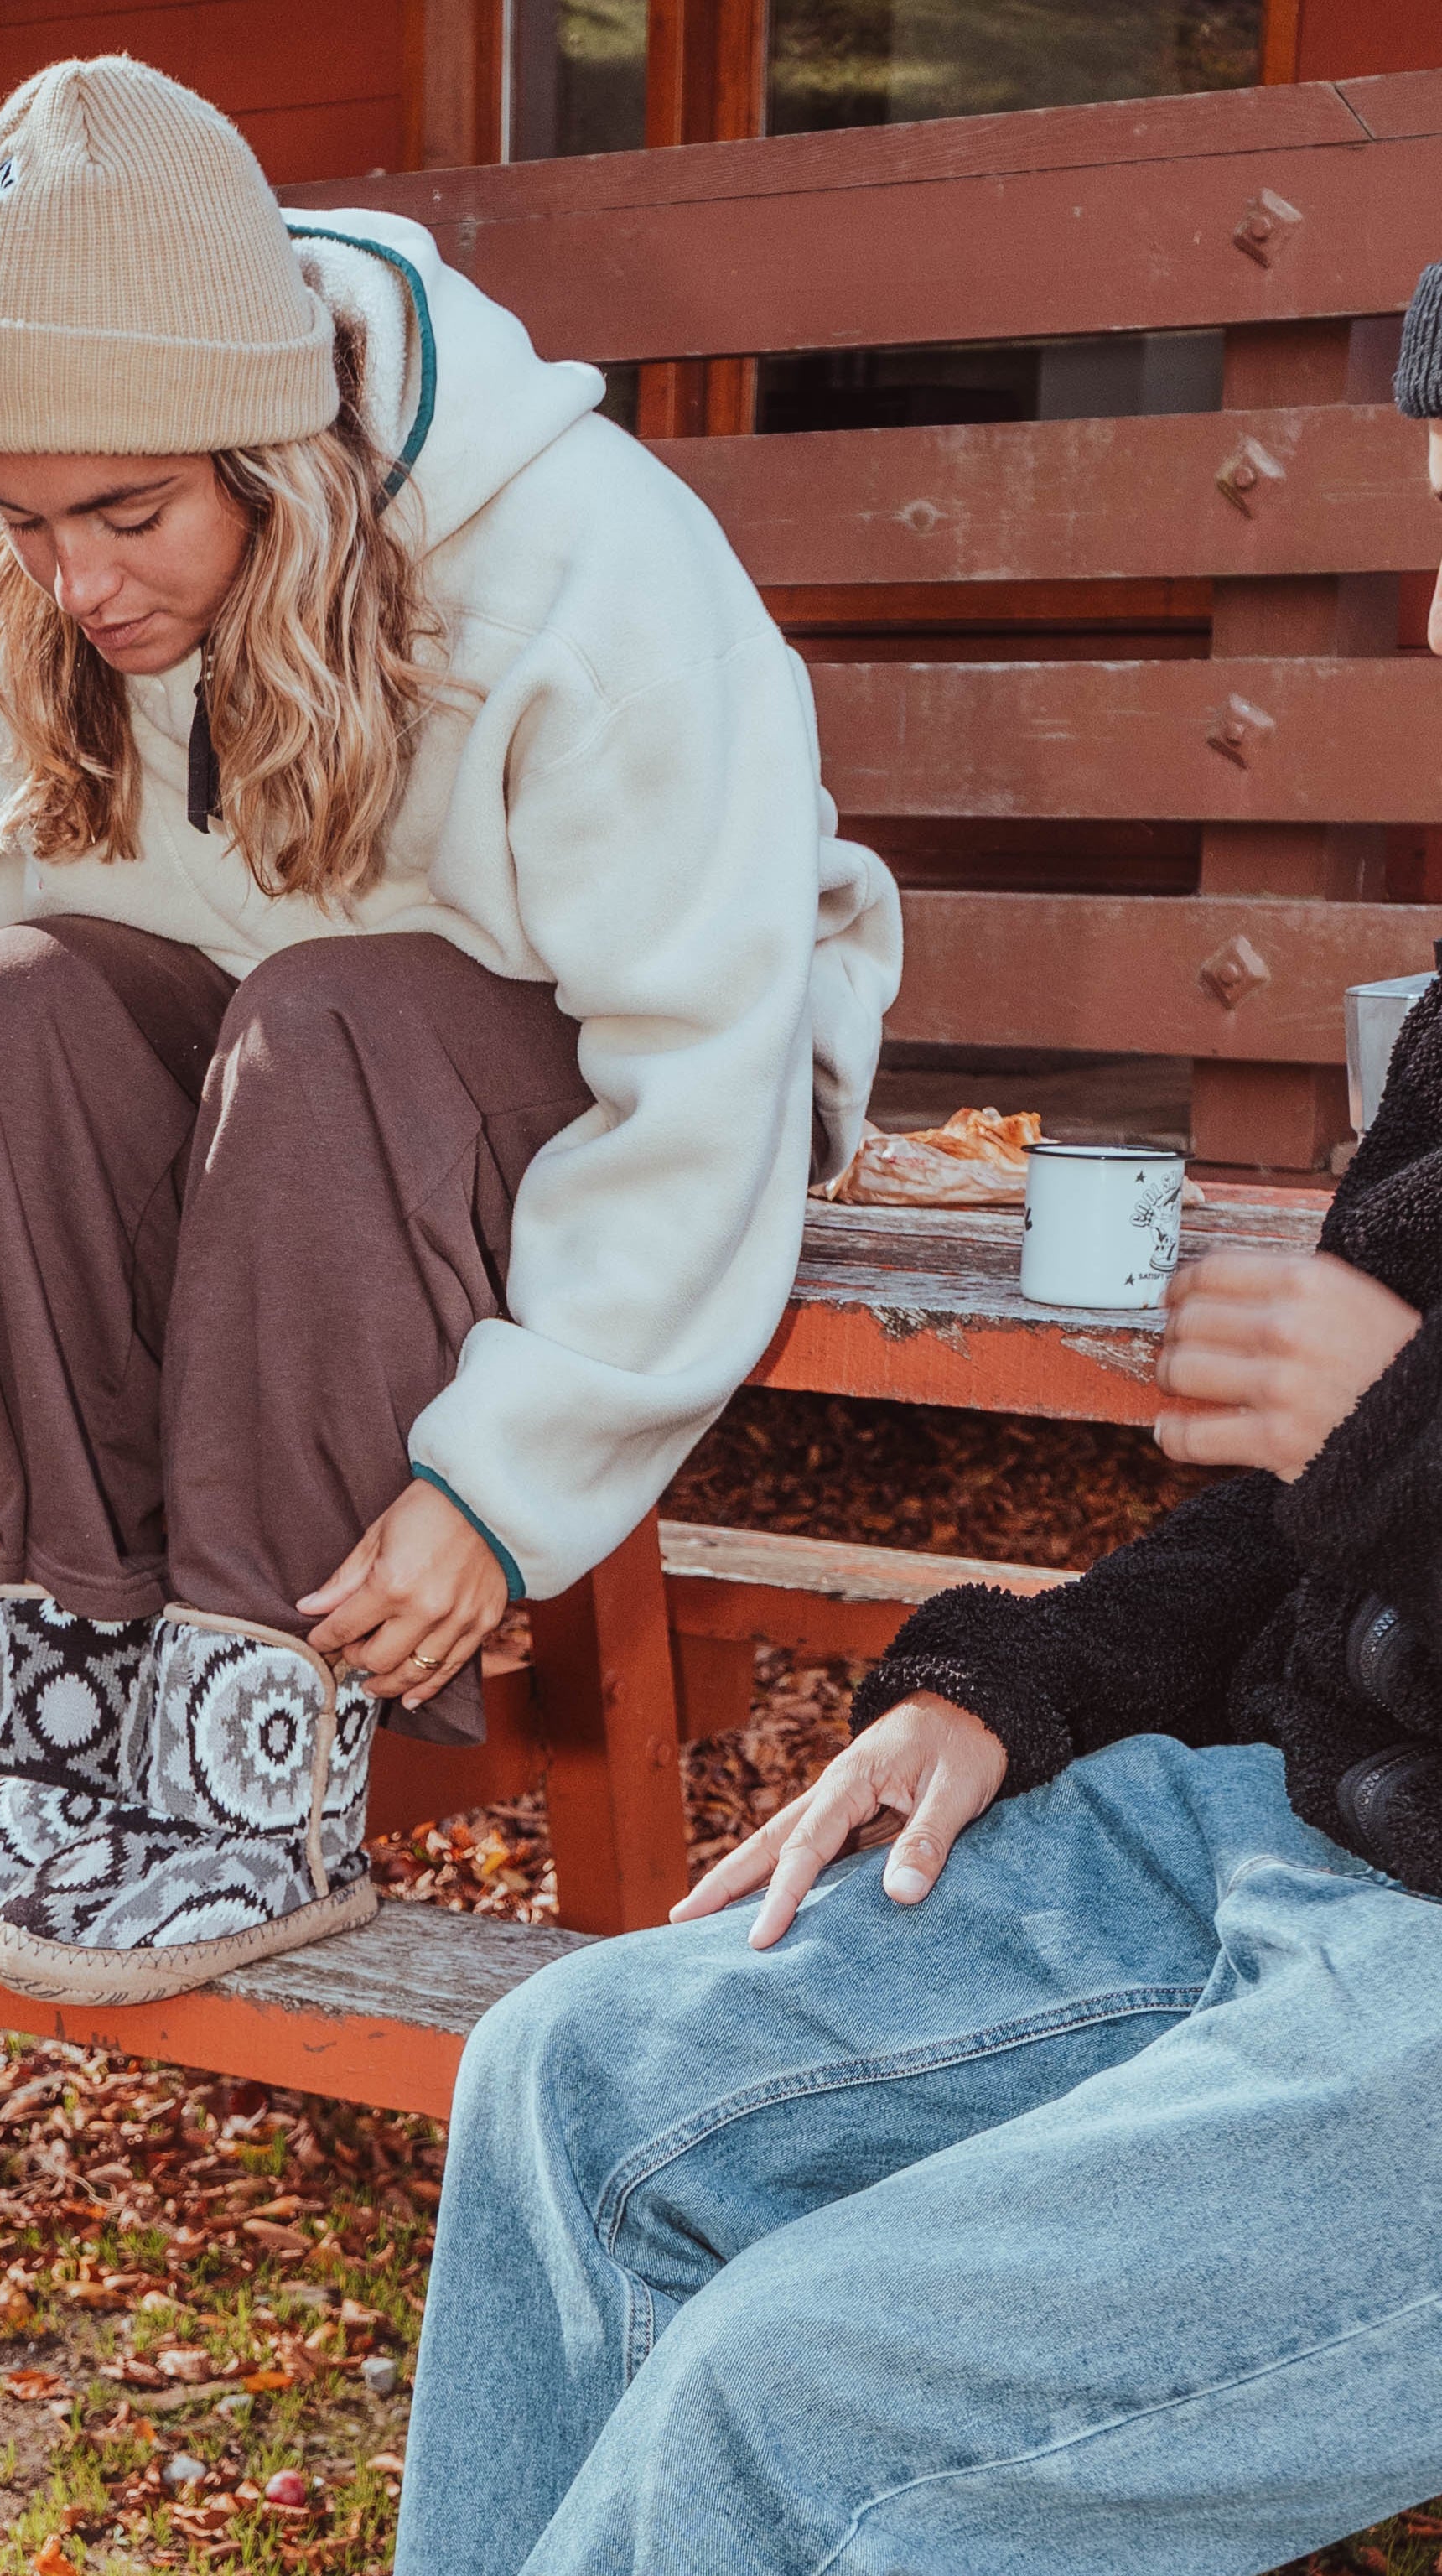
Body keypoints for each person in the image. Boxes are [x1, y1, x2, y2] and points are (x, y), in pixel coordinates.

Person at [395, 265, 1442, 2576]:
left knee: (801, 2397)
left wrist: (1408, 1435)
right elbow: (1296, 1531)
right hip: (1291, 1845)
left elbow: (1384, 1458)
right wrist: (1013, 1687)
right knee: (576, 2087)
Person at [0, 55, 899, 2007]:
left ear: (276, 452)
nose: (76, 581)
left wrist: (505, 1478)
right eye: (21, 522)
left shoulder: (585, 572)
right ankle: (69, 1703)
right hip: (284, 1119)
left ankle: (250, 1765)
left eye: (127, 514)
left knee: (327, 1018)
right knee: (9, 1001)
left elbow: (707, 1064)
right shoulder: (22, 600)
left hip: (594, 1111)